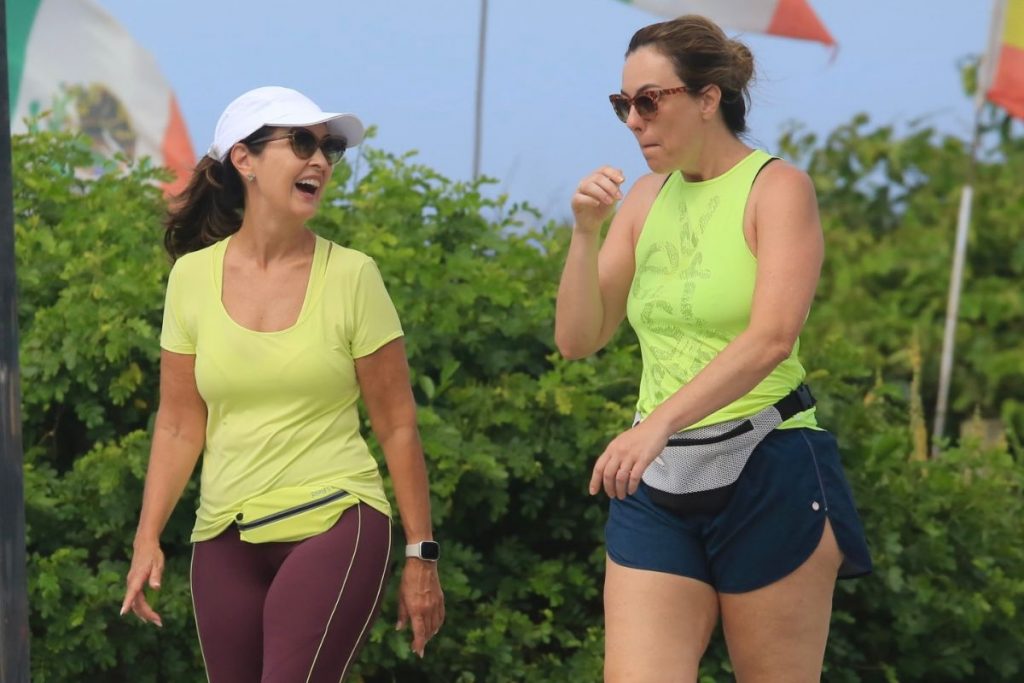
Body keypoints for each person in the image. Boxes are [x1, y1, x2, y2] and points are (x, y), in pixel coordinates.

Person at [555, 16, 872, 682]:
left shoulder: (778, 189)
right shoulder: (642, 200)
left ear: (708, 98)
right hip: (656, 479)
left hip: (768, 460)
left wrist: (660, 422)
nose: (634, 121)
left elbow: (771, 338)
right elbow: (579, 339)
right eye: (623, 105)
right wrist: (585, 235)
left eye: (649, 100)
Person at [120, 86, 444, 682]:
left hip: (336, 519)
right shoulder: (191, 280)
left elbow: (397, 423)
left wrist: (421, 554)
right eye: (301, 142)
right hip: (224, 533)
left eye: (330, 147)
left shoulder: (354, 276)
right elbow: (178, 423)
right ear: (243, 159)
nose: (319, 159)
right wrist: (148, 538)